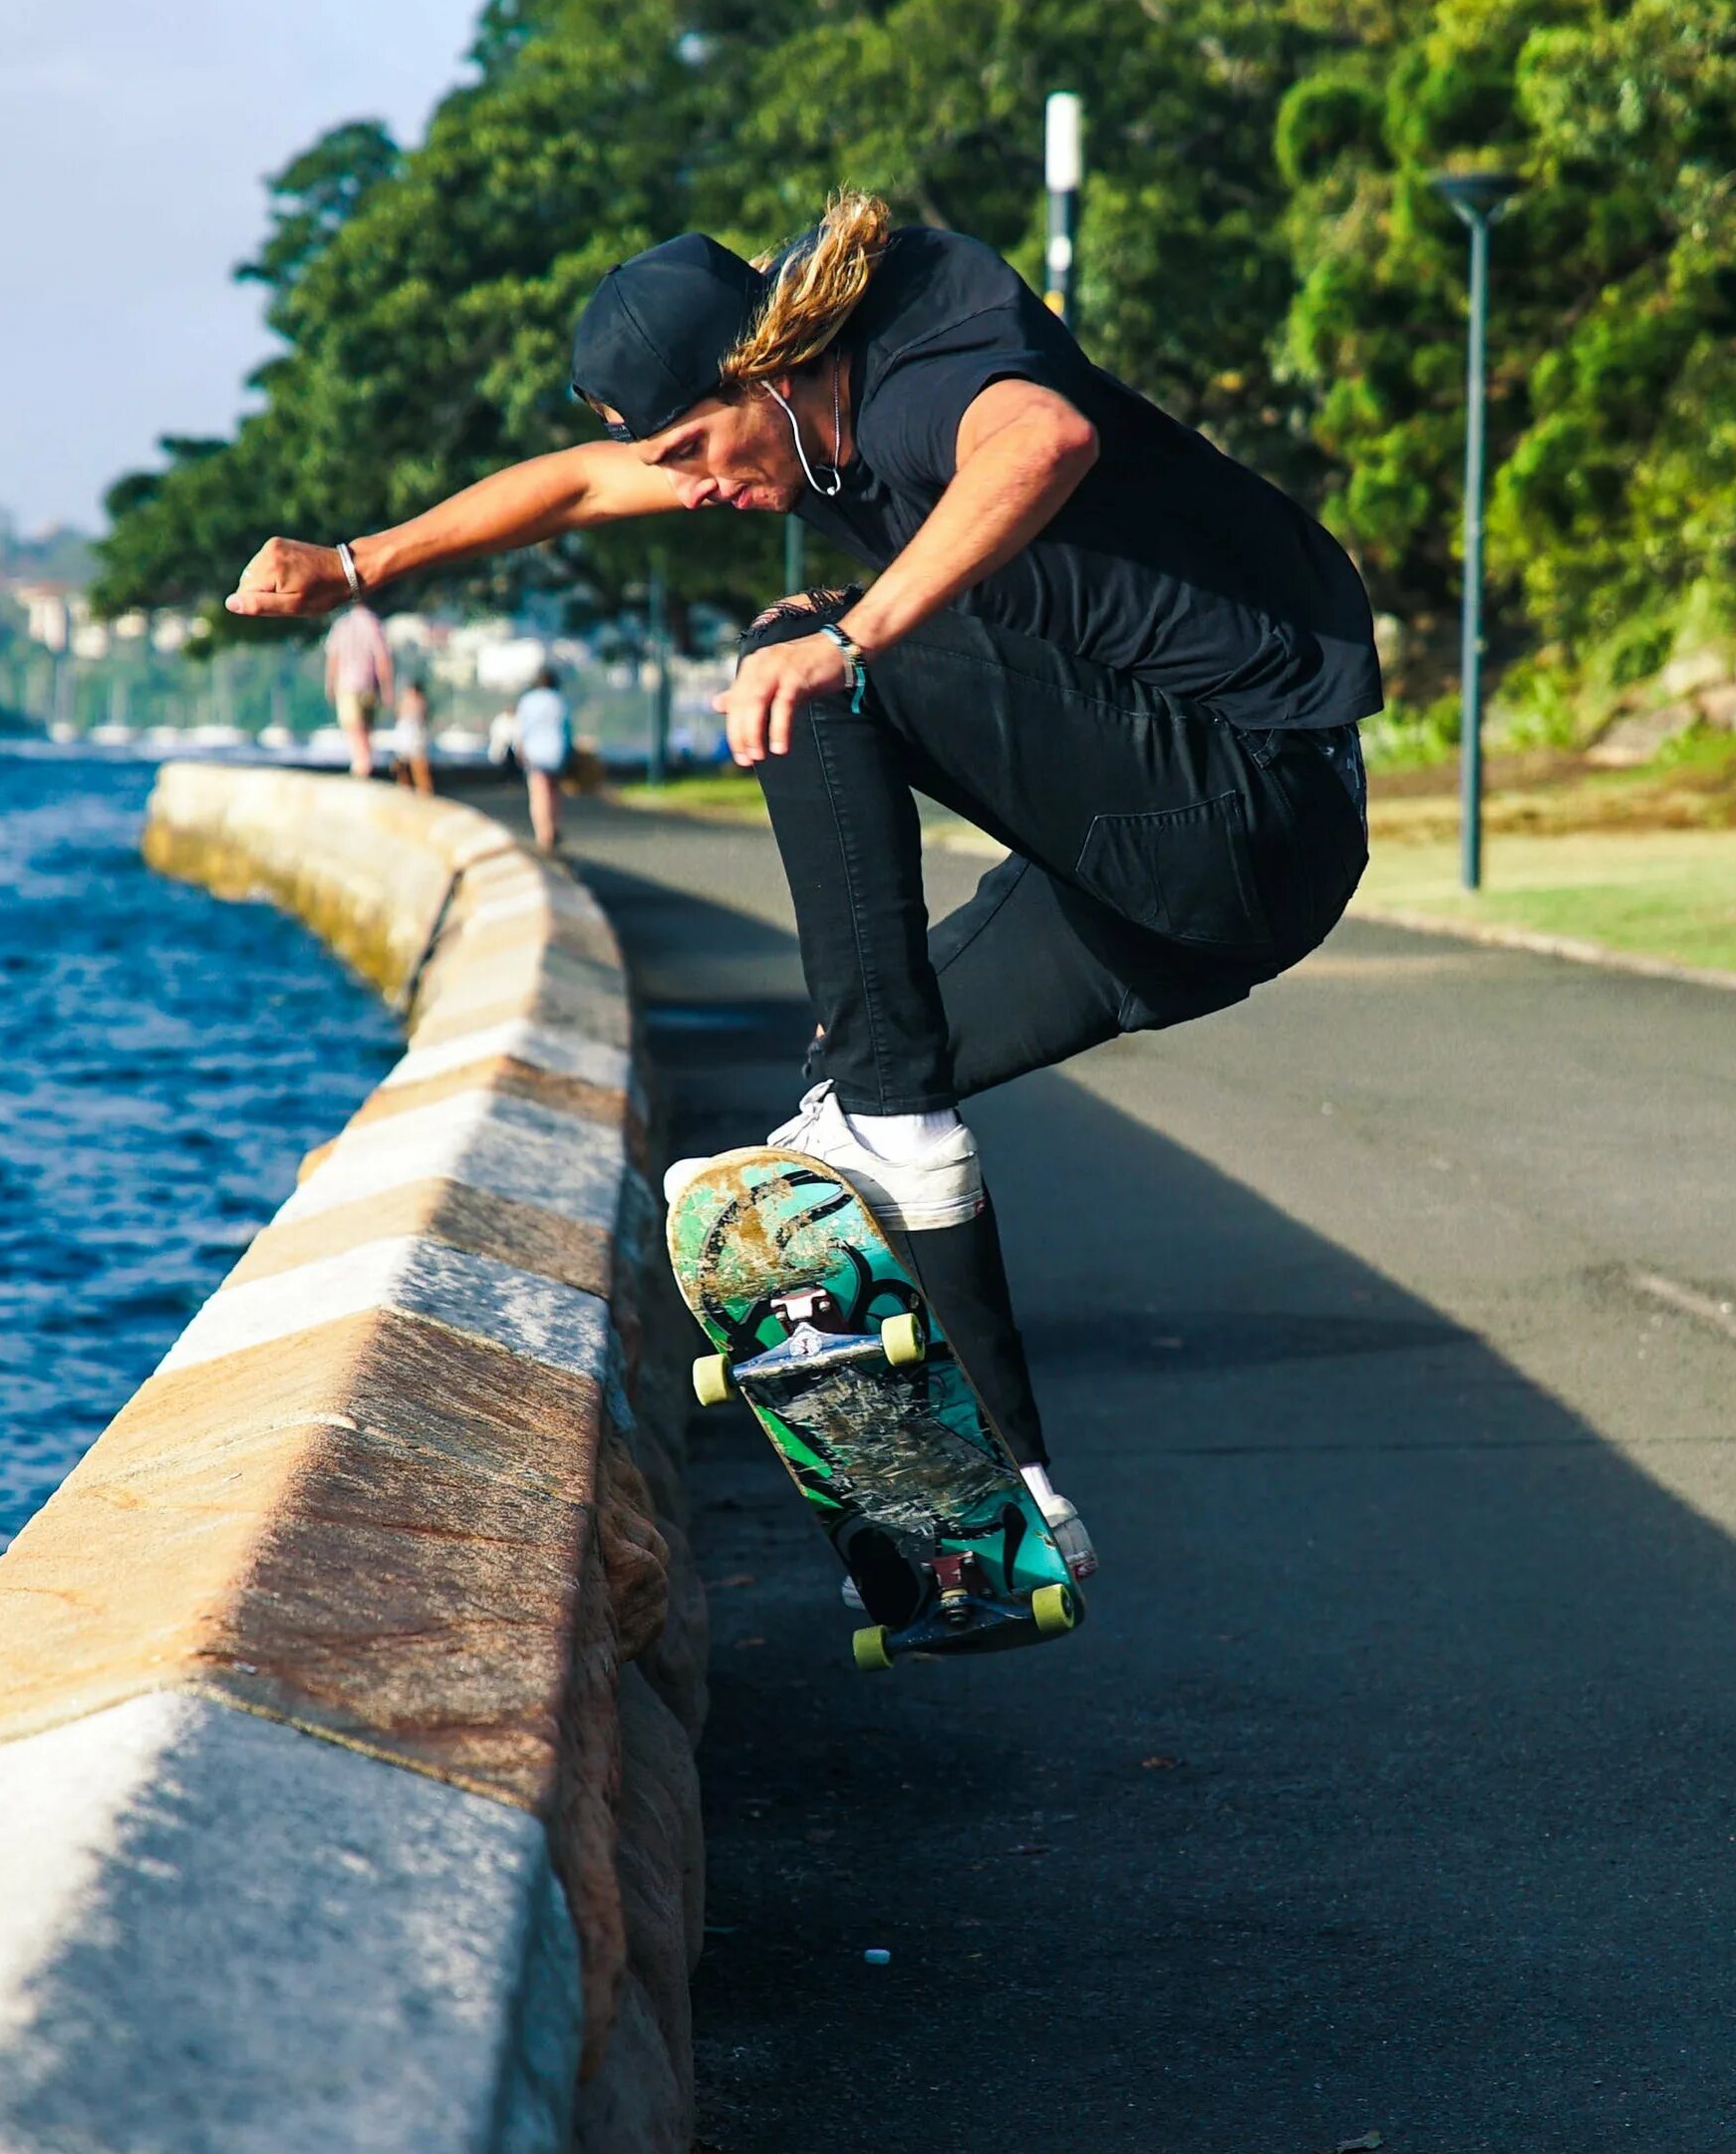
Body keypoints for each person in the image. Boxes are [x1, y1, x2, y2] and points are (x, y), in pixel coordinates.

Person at [226, 193, 1380, 1585]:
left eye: (700, 453)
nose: (698, 490)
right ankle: (1017, 1500)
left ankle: (888, 1118)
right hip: (1159, 903)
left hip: (1247, 805)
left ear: (765, 374)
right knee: (854, 1103)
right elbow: (582, 485)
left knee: (801, 651)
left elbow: (1045, 441)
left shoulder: (926, 367)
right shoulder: (772, 413)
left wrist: (858, 634)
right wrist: (356, 565)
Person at [322, 596, 393, 777]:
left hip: (346, 684)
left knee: (353, 727)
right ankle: (365, 763)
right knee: (366, 728)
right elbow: (382, 659)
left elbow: (333, 657)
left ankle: (361, 765)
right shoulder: (374, 624)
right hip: (368, 684)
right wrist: (386, 688)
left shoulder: (341, 625)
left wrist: (330, 683)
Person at [513, 665, 572, 851]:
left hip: (535, 753)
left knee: (539, 793)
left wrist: (519, 752)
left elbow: (520, 730)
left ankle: (543, 834)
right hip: (557, 752)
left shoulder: (527, 701)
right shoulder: (559, 701)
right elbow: (567, 729)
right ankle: (554, 826)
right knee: (553, 791)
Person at [393, 676, 434, 797]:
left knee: (419, 768)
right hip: (405, 739)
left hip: (415, 739)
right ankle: (405, 790)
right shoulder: (404, 703)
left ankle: (423, 793)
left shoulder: (420, 702)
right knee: (402, 767)